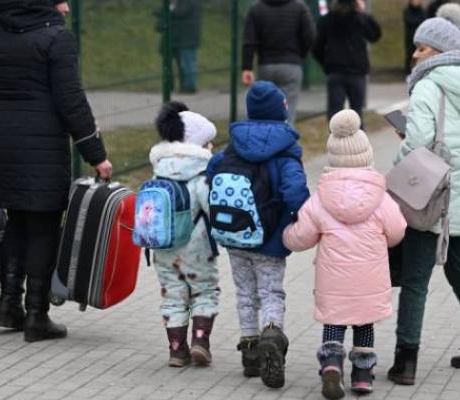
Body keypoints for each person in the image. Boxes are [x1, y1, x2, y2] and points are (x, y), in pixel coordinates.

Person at [0, 0, 113, 343]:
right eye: (60, 0)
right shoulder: (56, 39)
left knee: (17, 218)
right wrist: (96, 155)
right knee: (43, 224)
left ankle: (8, 305)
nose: (66, 8)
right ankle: (37, 314)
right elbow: (71, 100)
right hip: (41, 141)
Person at [388, 3, 460, 386]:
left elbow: (420, 142)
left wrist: (402, 155)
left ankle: (405, 361)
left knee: (416, 278)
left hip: (431, 196)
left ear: (437, 51)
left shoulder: (428, 84)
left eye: (421, 48)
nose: (414, 53)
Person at [283, 110, 406, 399]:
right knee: (364, 324)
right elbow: (398, 230)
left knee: (334, 322)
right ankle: (362, 376)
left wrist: (285, 234)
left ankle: (331, 366)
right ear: (367, 154)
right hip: (370, 279)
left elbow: (301, 237)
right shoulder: (381, 197)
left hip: (333, 281)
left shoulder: (321, 198)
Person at [207, 81, 310, 389]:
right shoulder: (286, 152)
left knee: (244, 294)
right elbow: (295, 193)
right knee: (270, 293)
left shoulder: (233, 145)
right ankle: (272, 335)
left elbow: (212, 172)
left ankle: (250, 354)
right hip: (270, 240)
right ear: (283, 111)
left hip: (235, 237)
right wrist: (299, 218)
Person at [148, 102, 220, 367]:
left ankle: (177, 349)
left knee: (173, 294)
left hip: (163, 246)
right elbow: (211, 209)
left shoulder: (158, 171)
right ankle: (201, 341)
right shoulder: (201, 175)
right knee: (204, 291)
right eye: (207, 143)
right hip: (197, 246)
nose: (210, 148)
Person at [242, 0, 315, 126]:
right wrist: (299, 55)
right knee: (288, 112)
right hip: (291, 64)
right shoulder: (299, 7)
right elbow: (310, 36)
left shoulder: (256, 8)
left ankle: (265, 141)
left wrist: (247, 67)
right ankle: (286, 142)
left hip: (266, 65)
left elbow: (249, 41)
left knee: (265, 111)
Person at [313, 0, 382, 122]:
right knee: (357, 112)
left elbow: (316, 47)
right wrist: (364, 13)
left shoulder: (327, 20)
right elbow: (375, 35)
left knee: (334, 112)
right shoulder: (360, 18)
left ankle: (335, 139)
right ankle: (358, 139)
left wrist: (327, 65)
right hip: (357, 70)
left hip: (335, 70)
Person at [156, 0, 203, 93]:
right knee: (175, 63)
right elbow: (157, 11)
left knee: (187, 63)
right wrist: (169, 8)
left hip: (187, 38)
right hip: (175, 38)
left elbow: (180, 12)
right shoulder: (175, 3)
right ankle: (174, 85)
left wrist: (169, 8)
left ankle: (189, 86)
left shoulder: (189, 3)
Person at [404, 0, 427, 75]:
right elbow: (411, 21)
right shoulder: (407, 11)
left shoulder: (423, 11)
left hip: (422, 40)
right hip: (411, 39)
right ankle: (409, 73)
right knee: (411, 57)